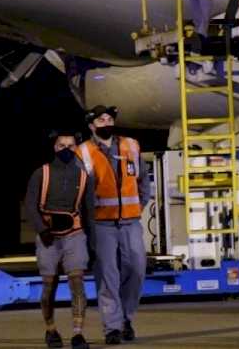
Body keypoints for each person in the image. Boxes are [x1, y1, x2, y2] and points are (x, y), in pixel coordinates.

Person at [77, 105, 149, 345]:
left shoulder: (131, 145)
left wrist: (139, 206)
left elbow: (143, 180)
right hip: (102, 224)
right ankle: (112, 328)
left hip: (131, 221)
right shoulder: (83, 152)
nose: (107, 123)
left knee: (137, 269)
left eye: (109, 119)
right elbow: (80, 192)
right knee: (108, 277)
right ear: (91, 126)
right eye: (101, 120)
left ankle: (126, 318)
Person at [25, 130, 94, 349]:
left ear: (76, 148)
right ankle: (51, 329)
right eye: (61, 145)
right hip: (48, 236)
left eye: (71, 145)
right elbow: (30, 204)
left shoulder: (84, 177)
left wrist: (92, 243)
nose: (66, 149)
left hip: (74, 234)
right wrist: (42, 229)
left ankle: (78, 333)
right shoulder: (41, 173)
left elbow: (89, 211)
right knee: (49, 286)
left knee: (77, 283)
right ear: (54, 147)